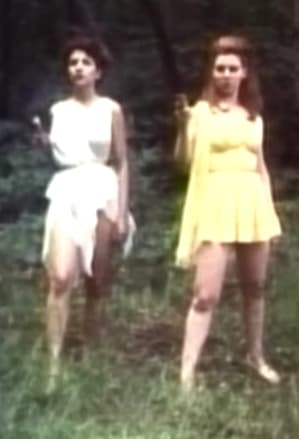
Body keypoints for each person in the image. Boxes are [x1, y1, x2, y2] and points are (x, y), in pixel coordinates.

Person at [174, 35, 282, 391]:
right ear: (212, 72)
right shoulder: (199, 113)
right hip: (216, 201)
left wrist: (270, 212)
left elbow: (260, 166)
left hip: (252, 202)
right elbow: (183, 163)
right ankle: (187, 373)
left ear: (243, 73)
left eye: (232, 68)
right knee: (205, 294)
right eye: (219, 68)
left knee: (255, 286)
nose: (225, 75)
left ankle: (255, 356)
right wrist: (182, 126)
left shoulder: (253, 117)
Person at [34, 34, 134, 389]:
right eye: (73, 62)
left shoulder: (111, 109)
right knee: (61, 276)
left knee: (97, 279)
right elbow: (60, 152)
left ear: (98, 71)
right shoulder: (58, 111)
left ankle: (92, 354)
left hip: (102, 189)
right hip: (66, 190)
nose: (78, 68)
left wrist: (121, 210)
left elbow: (121, 162)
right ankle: (53, 367)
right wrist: (45, 143)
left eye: (85, 62)